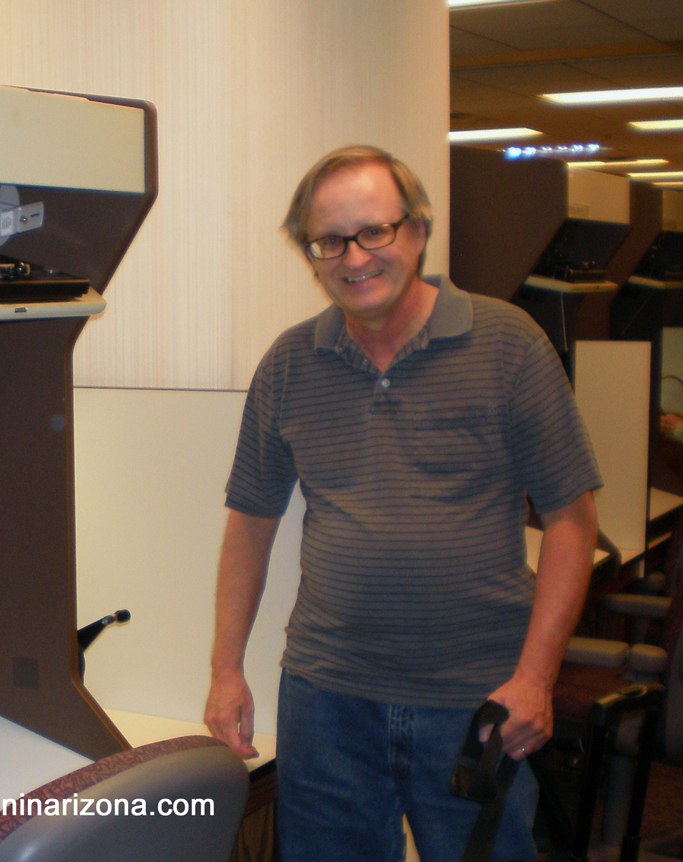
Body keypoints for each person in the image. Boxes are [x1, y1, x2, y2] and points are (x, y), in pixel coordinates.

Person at [203, 145, 601, 862]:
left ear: (416, 231)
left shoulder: (508, 344)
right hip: (326, 697)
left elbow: (571, 521)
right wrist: (225, 669)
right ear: (310, 255)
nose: (352, 257)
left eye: (372, 231)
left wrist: (536, 678)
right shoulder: (289, 364)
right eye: (329, 240)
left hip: (476, 695)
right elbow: (250, 526)